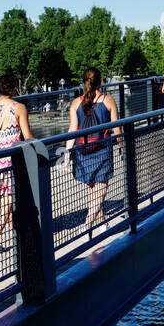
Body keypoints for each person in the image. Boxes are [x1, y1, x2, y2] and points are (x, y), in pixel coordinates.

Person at [0, 73, 32, 253]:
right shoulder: (19, 108)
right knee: (8, 201)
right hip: (11, 160)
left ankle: (15, 229)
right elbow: (27, 137)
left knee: (5, 201)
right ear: (14, 88)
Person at [68, 66, 121, 232]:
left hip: (82, 149)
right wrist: (121, 145)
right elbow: (117, 128)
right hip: (102, 147)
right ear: (101, 81)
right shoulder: (108, 100)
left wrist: (68, 152)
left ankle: (102, 222)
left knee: (92, 187)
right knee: (101, 187)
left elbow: (72, 129)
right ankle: (88, 224)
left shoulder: (76, 103)